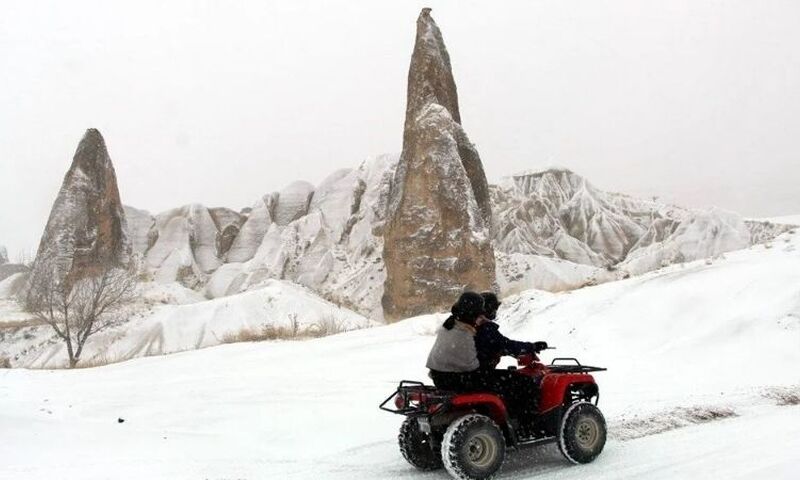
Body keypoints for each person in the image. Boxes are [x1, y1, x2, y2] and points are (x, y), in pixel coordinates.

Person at [426, 291, 486, 392]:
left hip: (439, 377)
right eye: (478, 315)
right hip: (456, 381)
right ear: (473, 314)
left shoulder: (449, 325)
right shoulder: (464, 333)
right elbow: (472, 366)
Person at [475, 292, 548, 370]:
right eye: (495, 308)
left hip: (471, 374)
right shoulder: (484, 328)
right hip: (481, 374)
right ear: (488, 309)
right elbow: (505, 345)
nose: (495, 312)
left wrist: (517, 352)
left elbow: (498, 347)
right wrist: (532, 346)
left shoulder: (472, 325)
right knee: (525, 379)